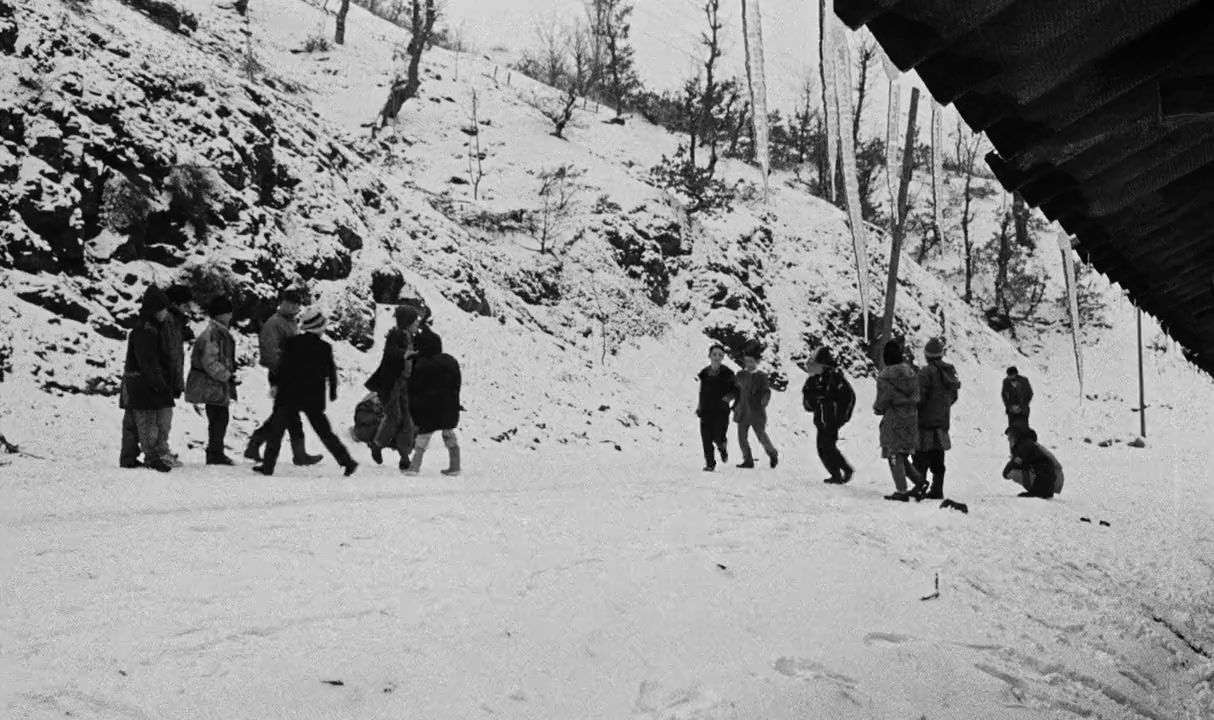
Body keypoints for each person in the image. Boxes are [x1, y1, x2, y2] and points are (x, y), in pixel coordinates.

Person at [253, 308, 357, 477]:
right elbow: (331, 371)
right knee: (325, 432)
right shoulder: (325, 348)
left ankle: (268, 466)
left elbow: (282, 367)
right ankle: (347, 462)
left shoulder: (292, 343)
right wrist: (332, 390)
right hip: (313, 397)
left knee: (276, 432)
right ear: (319, 328)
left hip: (289, 394)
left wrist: (276, 384)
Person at [245, 290, 322, 466]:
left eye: (296, 305)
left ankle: (259, 444)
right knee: (286, 414)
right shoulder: (274, 323)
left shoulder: (290, 323)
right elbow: (270, 353)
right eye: (291, 304)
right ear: (283, 303)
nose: (294, 307)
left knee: (287, 414)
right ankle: (296, 453)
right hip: (281, 374)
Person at [119, 286, 176, 472]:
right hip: (142, 384)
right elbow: (149, 363)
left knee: (134, 422)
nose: (165, 312)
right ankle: (151, 456)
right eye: (163, 308)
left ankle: (129, 457)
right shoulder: (146, 330)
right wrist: (160, 384)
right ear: (155, 309)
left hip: (137, 381)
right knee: (147, 421)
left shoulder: (147, 328)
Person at [365, 304, 422, 469]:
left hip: (404, 385)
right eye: (414, 321)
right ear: (407, 322)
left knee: (407, 421)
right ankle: (377, 445)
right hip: (391, 385)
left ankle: (404, 456)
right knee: (394, 417)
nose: (417, 323)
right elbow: (390, 352)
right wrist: (404, 354)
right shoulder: (396, 335)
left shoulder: (410, 337)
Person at [184, 296, 238, 465]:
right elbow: (210, 361)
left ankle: (216, 451)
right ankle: (215, 453)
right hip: (211, 384)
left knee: (220, 418)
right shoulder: (213, 334)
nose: (230, 316)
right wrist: (226, 375)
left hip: (215, 384)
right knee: (218, 418)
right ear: (220, 314)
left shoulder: (217, 332)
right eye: (228, 312)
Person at [404, 328, 462, 476]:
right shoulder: (450, 361)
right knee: (449, 434)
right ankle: (455, 466)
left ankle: (414, 467)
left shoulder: (422, 364)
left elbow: (414, 388)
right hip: (449, 406)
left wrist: (413, 407)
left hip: (428, 408)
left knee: (423, 438)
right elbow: (457, 384)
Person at [874, 340, 927, 501]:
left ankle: (901, 490)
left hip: (894, 418)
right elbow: (917, 395)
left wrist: (878, 408)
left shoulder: (884, 377)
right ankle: (919, 481)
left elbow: (883, 399)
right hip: (911, 417)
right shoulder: (911, 373)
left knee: (893, 453)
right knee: (902, 454)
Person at [912, 337, 961, 499]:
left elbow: (919, 398)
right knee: (938, 458)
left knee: (920, 457)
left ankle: (919, 486)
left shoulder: (925, 373)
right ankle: (937, 489)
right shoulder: (949, 372)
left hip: (924, 422)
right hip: (942, 422)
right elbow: (953, 397)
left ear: (927, 355)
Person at [801, 347, 856, 484]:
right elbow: (809, 403)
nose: (810, 367)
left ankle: (844, 470)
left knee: (827, 446)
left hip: (831, 420)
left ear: (823, 365)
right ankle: (837, 474)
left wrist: (840, 417)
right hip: (821, 420)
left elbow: (848, 397)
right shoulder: (814, 380)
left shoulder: (835, 379)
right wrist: (811, 398)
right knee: (823, 448)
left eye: (814, 364)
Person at [732, 343, 778, 469]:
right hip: (742, 411)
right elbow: (735, 390)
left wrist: (764, 400)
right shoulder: (740, 375)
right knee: (742, 438)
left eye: (751, 361)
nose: (748, 364)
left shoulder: (762, 376)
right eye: (747, 361)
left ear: (757, 362)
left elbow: (766, 391)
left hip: (757, 412)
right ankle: (748, 460)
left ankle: (772, 453)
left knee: (761, 436)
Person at [696, 344, 736, 472]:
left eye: (720, 355)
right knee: (706, 438)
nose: (717, 357)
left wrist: (728, 398)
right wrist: (699, 406)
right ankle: (710, 464)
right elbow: (701, 391)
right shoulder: (704, 373)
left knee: (718, 436)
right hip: (706, 409)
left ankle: (722, 447)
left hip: (721, 411)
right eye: (714, 354)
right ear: (709, 356)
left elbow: (736, 390)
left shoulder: (728, 373)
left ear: (723, 357)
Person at [1002, 426, 1061, 499]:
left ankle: (1037, 491)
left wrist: (1006, 472)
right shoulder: (1029, 444)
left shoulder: (1025, 446)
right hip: (1048, 483)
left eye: (1010, 436)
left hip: (1042, 480)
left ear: (1016, 436)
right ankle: (1041, 491)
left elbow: (1018, 462)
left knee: (1012, 472)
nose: (1008, 439)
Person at [1002, 366, 1034, 431]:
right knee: (1013, 430)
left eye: (1012, 376)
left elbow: (1030, 394)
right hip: (1011, 411)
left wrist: (1021, 407)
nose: (1010, 378)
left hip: (1023, 411)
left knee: (1023, 429)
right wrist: (1009, 407)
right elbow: (1004, 395)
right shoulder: (1006, 382)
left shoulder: (1024, 381)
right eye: (1009, 376)